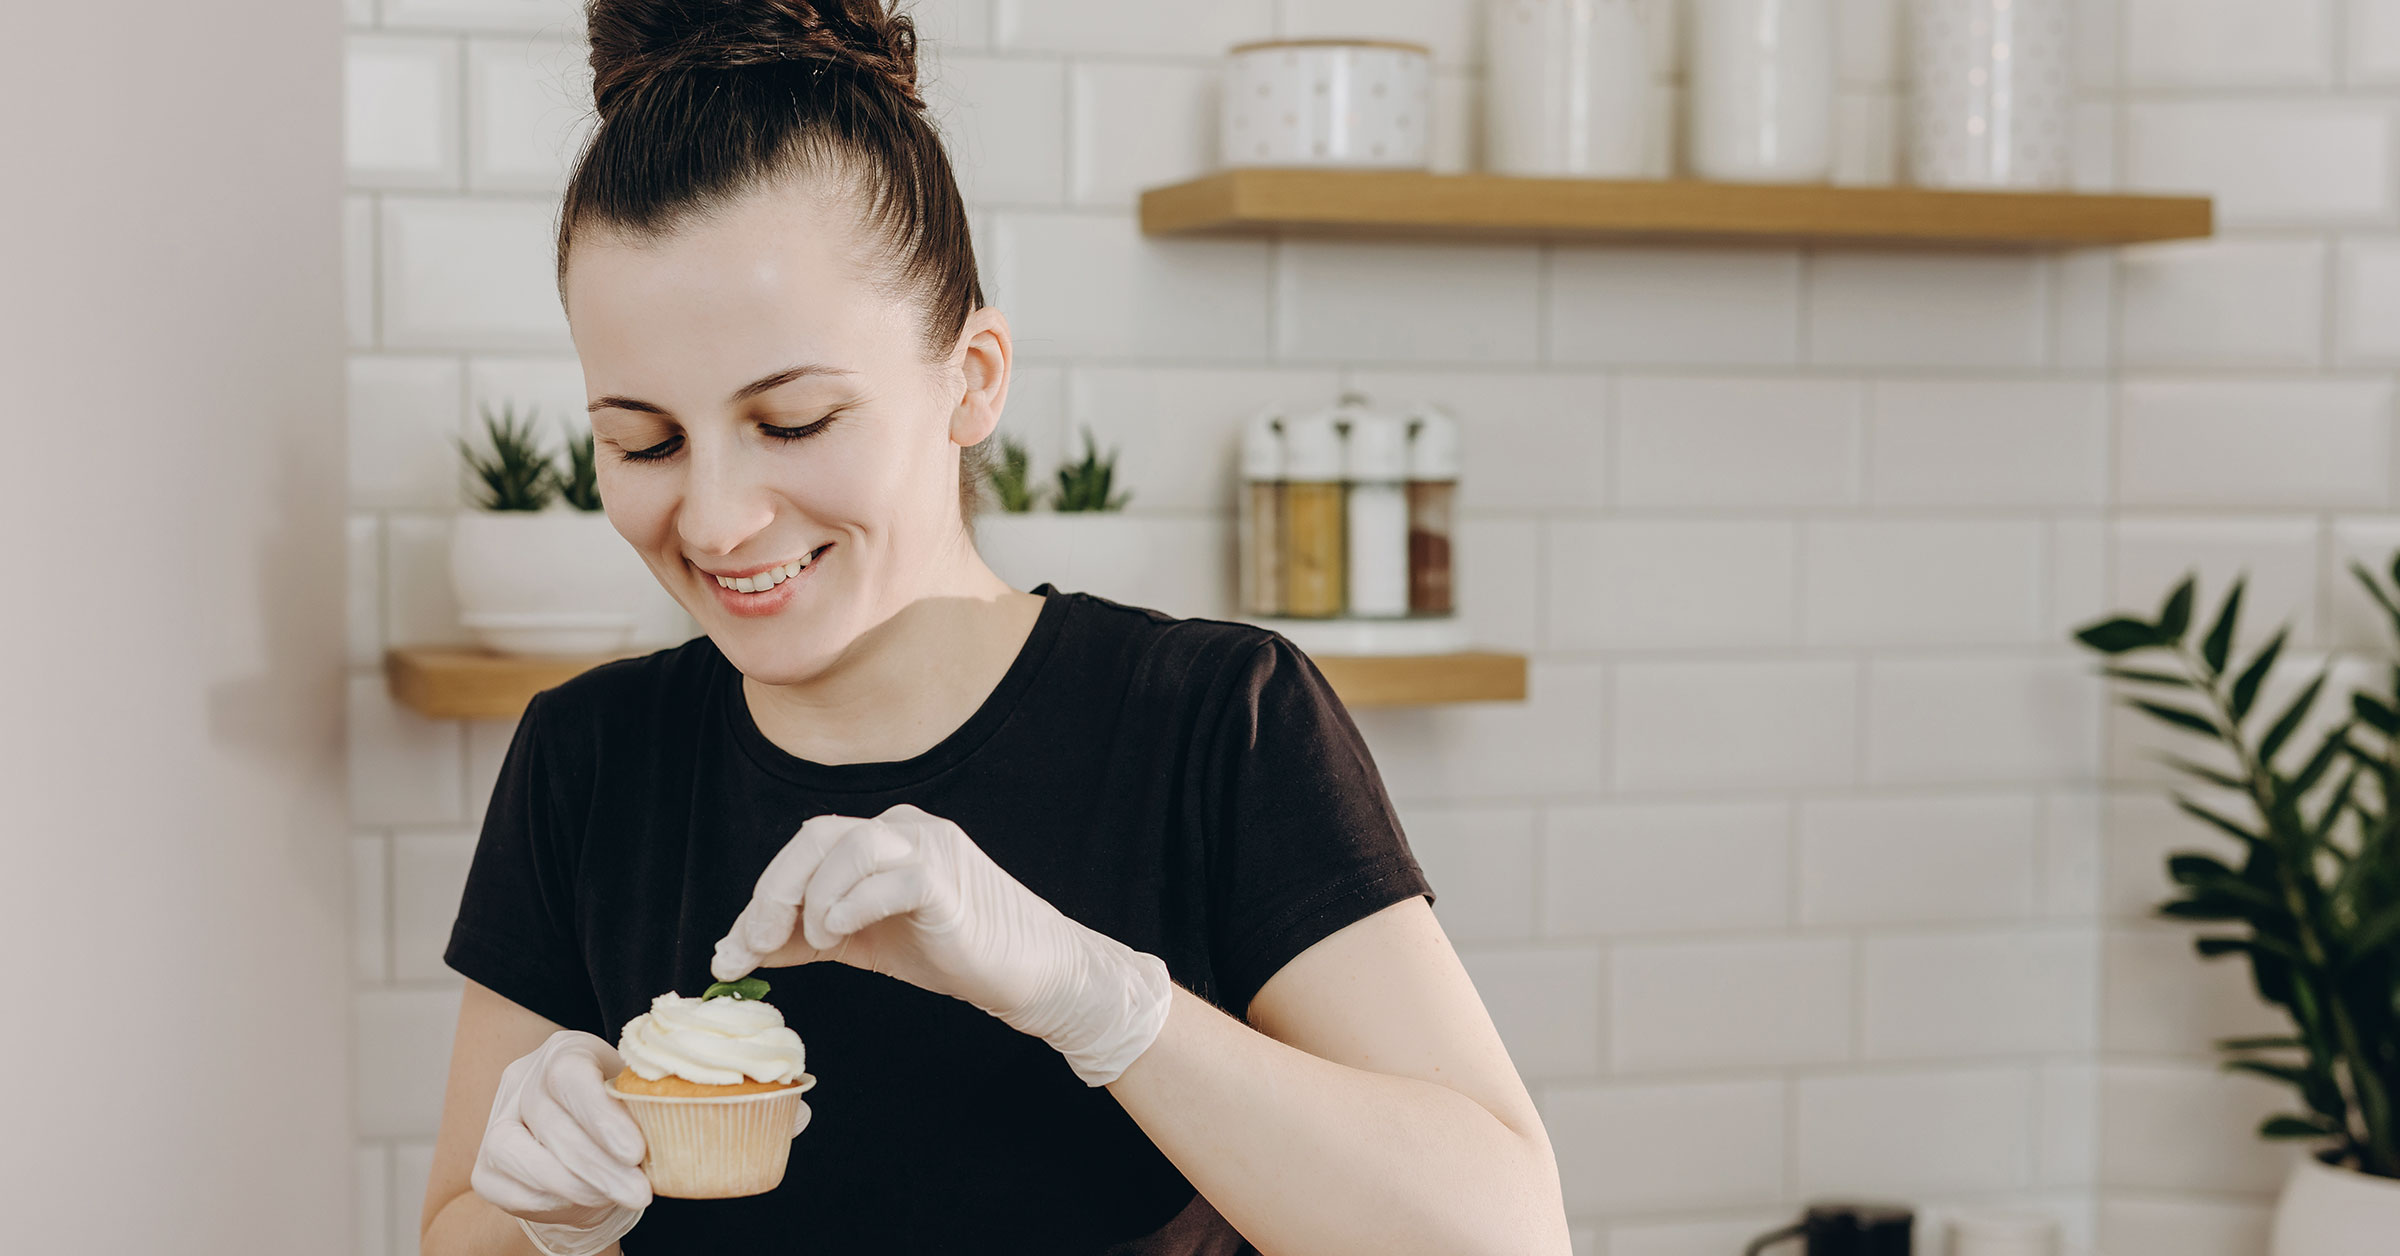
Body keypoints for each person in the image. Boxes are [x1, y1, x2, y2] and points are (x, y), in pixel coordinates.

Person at [415, 2, 1571, 1253]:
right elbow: (454, 1233)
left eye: (793, 420)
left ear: (971, 379)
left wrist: (1096, 996)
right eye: (643, 439)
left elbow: (1503, 1231)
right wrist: (543, 1223)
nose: (716, 515)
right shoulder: (590, 762)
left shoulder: (1213, 725)